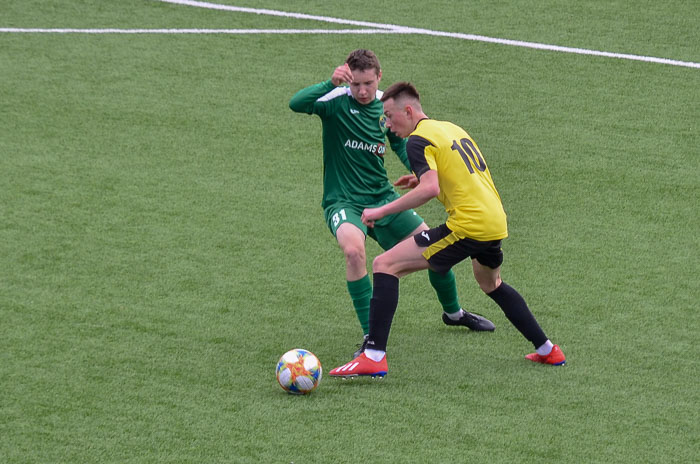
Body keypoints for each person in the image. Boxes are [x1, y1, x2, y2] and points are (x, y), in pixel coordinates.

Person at [329, 82, 566, 378]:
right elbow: (462, 170)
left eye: (389, 116)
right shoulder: (450, 128)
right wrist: (419, 179)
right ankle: (548, 350)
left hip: (469, 225)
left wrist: (382, 210)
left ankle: (374, 355)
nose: (387, 125)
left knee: (384, 264)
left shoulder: (417, 140)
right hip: (494, 220)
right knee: (491, 283)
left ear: (408, 110)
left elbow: (431, 188)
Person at [289, 51, 495, 358]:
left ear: (379, 77)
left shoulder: (387, 107)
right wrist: (326, 83)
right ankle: (370, 335)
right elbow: (297, 103)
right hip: (343, 202)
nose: (362, 91)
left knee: (436, 248)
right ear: (348, 78)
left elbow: (402, 142)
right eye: (356, 84)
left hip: (383, 198)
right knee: (354, 251)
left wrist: (417, 174)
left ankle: (454, 313)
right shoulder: (334, 100)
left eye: (368, 83)